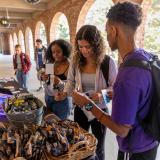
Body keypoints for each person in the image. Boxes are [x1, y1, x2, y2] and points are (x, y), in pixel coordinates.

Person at [72, 2, 159, 160]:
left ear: (113, 30)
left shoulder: (126, 74)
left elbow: (122, 129)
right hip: (150, 139)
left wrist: (88, 103)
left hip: (135, 148)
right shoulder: (147, 58)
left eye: (107, 31)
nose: (107, 36)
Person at [55, 25, 117, 160]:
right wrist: (65, 94)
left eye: (87, 47)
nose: (84, 50)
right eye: (80, 47)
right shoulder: (76, 61)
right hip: (82, 108)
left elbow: (115, 88)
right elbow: (70, 81)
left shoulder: (108, 62)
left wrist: (102, 95)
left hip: (99, 111)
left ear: (96, 44)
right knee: (79, 144)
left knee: (98, 147)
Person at [41, 39, 72, 120]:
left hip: (62, 101)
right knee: (50, 121)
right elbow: (47, 82)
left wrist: (60, 83)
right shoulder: (50, 63)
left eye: (58, 52)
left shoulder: (70, 66)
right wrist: (43, 78)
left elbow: (73, 87)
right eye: (53, 52)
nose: (55, 55)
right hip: (48, 97)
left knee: (61, 124)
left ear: (64, 51)